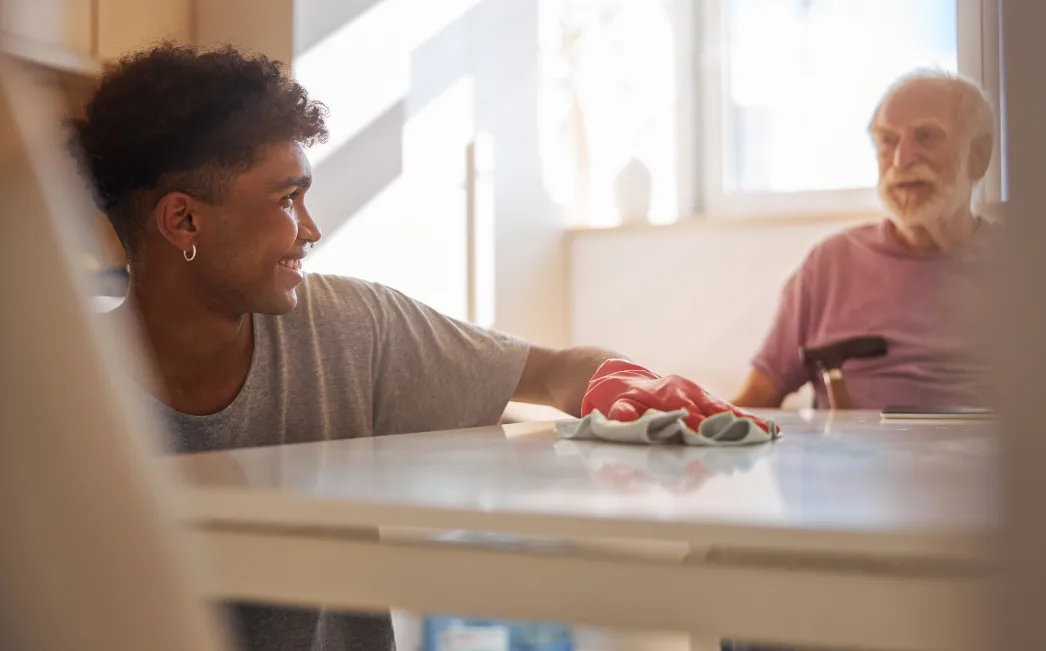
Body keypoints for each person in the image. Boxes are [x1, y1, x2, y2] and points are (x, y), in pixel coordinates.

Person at [67, 44, 761, 651]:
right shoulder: (58, 386)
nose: (310, 230)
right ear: (182, 218)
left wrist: (619, 381)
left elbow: (553, 373)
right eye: (287, 199)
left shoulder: (349, 325)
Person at [733, 69, 998, 410]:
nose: (901, 161)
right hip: (850, 463)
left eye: (927, 137)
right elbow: (757, 399)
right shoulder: (830, 264)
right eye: (888, 141)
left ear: (979, 156)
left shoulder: (1026, 268)